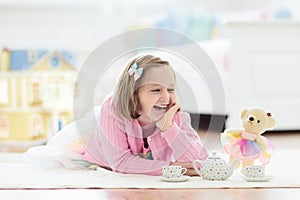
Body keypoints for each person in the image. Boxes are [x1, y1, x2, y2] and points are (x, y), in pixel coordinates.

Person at [26, 54, 207, 176]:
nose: (166, 97)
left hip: (146, 157)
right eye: (156, 89)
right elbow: (121, 163)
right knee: (68, 152)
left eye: (170, 89)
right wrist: (170, 168)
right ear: (134, 93)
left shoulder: (173, 114)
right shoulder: (113, 111)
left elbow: (201, 162)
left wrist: (169, 129)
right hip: (100, 149)